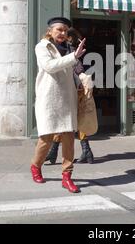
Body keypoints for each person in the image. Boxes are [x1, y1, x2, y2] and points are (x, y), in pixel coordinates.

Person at [30, 17, 86, 193]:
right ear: (50, 30)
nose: (62, 33)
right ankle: (35, 166)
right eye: (59, 30)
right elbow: (49, 66)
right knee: (46, 138)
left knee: (69, 139)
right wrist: (73, 57)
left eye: (65, 30)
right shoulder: (42, 47)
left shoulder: (69, 48)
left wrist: (83, 79)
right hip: (49, 98)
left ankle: (67, 176)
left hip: (67, 98)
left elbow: (73, 70)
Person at [44, 28, 95, 165]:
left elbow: (77, 67)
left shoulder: (68, 49)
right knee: (73, 120)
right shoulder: (70, 49)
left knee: (66, 120)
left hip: (72, 89)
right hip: (75, 89)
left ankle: (55, 152)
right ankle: (85, 151)